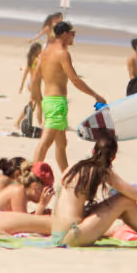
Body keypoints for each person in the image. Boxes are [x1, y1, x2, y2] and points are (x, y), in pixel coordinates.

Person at [49, 134, 137, 248]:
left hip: (56, 232)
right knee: (125, 201)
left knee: (109, 204)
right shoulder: (102, 171)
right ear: (113, 157)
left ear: (93, 151)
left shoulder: (72, 168)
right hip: (72, 235)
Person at [32, 22, 107, 171]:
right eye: (72, 34)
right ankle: (32, 175)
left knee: (61, 144)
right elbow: (75, 79)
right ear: (64, 34)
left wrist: (38, 100)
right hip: (57, 102)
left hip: (48, 100)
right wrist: (95, 95)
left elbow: (35, 78)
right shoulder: (63, 53)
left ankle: (66, 177)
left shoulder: (45, 51)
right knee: (45, 142)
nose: (74, 37)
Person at [12, 43, 43, 130]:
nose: (41, 51)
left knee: (33, 104)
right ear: (37, 50)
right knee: (38, 104)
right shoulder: (37, 60)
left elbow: (26, 71)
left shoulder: (31, 59)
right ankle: (40, 124)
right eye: (40, 49)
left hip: (32, 83)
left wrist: (22, 85)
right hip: (34, 84)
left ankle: (17, 122)